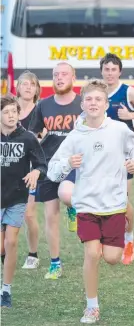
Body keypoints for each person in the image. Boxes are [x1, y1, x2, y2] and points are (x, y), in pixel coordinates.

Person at [47, 79, 134, 323]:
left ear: (106, 104)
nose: (93, 103)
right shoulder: (75, 136)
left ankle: (122, 239)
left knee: (112, 258)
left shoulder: (119, 130)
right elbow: (52, 171)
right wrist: (67, 164)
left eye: (98, 99)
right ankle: (92, 306)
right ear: (82, 104)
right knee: (91, 254)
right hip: (87, 205)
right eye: (89, 99)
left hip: (113, 205)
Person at [28, 62, 83, 280]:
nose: (59, 78)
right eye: (55, 75)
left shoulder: (83, 103)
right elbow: (33, 133)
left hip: (75, 164)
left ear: (73, 78)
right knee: (50, 215)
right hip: (49, 164)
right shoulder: (43, 105)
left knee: (68, 196)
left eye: (64, 74)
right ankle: (55, 263)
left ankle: (72, 206)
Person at [100, 52, 134, 265]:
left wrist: (132, 115)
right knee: (100, 198)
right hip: (100, 156)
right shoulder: (97, 92)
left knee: (122, 200)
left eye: (113, 69)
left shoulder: (128, 92)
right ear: (102, 71)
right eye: (106, 69)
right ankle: (106, 240)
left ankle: (128, 238)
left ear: (120, 71)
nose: (110, 73)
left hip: (123, 155)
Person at [1, 94, 46, 308]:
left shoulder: (28, 138)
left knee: (11, 243)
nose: (11, 116)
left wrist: (36, 172)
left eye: (14, 112)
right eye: (6, 112)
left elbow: (41, 164)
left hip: (18, 198)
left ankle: (6, 290)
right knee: (1, 247)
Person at [14, 71, 43, 270]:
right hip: (8, 166)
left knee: (29, 214)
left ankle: (33, 254)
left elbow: (44, 139)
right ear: (17, 87)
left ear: (36, 89)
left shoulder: (39, 111)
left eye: (32, 84)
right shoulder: (7, 108)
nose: (27, 87)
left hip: (30, 169)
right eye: (24, 83)